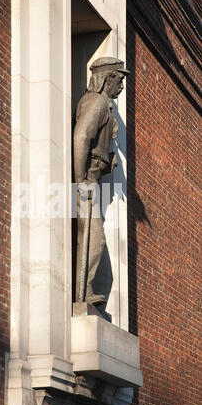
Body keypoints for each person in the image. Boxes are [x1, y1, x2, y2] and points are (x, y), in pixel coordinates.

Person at [73, 57, 130, 306]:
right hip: (87, 180)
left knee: (94, 239)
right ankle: (83, 294)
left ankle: (87, 292)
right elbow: (81, 138)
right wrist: (80, 181)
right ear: (108, 78)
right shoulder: (96, 102)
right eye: (120, 79)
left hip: (93, 179)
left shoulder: (102, 104)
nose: (122, 86)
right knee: (94, 240)